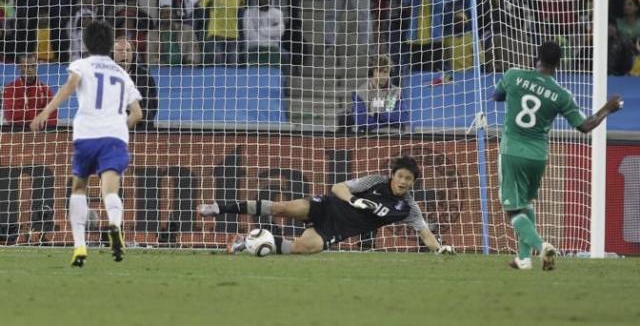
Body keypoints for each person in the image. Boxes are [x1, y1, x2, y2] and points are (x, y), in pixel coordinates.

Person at [493, 41, 623, 271]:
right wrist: (607, 109)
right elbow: (585, 125)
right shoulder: (561, 94)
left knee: (512, 209)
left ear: (536, 57)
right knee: (526, 203)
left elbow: (497, 96)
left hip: (512, 150)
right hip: (538, 156)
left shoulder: (513, 75)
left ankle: (541, 246)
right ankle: (524, 259)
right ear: (558, 63)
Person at [30, 21, 143, 267]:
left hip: (87, 134)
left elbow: (69, 86)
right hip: (114, 136)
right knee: (110, 189)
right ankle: (114, 225)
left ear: (86, 43)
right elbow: (137, 114)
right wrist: (118, 127)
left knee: (79, 187)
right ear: (110, 45)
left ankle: (80, 246)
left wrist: (46, 111)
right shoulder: (122, 74)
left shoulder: (82, 65)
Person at [198, 156, 455, 255]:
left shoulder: (408, 208)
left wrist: (440, 249)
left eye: (408, 179)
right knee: (281, 208)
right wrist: (355, 200)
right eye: (400, 176)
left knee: (302, 248)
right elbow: (338, 187)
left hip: (335, 230)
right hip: (328, 207)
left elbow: (425, 233)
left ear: (413, 183)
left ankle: (245, 242)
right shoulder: (375, 181)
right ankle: (220, 208)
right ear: (393, 175)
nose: (403, 181)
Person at [350, 54, 408, 132]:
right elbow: (361, 121)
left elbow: (403, 116)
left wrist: (377, 116)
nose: (382, 76)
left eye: (385, 72)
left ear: (390, 73)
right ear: (372, 72)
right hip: (370, 135)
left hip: (394, 134)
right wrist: (389, 119)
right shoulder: (360, 92)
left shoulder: (396, 91)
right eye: (379, 71)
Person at [113, 37, 158, 130]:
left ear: (133, 54)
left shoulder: (144, 75)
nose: (124, 53)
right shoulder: (105, 75)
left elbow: (151, 105)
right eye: (120, 50)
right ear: (112, 54)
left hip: (139, 128)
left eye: (128, 50)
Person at [2, 55, 56, 130]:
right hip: (17, 132)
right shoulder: (11, 89)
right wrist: (38, 118)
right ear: (19, 67)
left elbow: (52, 116)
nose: (30, 69)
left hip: (41, 132)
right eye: (26, 66)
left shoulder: (45, 90)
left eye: (33, 66)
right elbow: (11, 116)